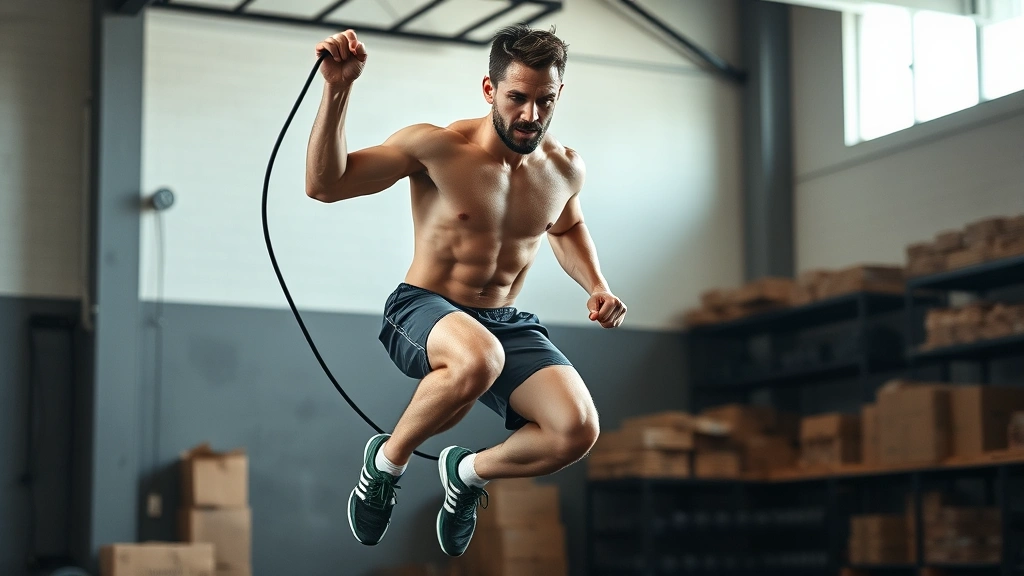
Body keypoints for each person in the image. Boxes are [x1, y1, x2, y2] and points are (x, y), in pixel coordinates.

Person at [305, 23, 627, 557]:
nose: (530, 116)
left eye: (544, 101)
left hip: (504, 321)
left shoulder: (565, 168)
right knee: (481, 358)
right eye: (517, 98)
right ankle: (385, 465)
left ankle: (468, 473)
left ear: (559, 94)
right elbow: (325, 185)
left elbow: (566, 228)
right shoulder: (436, 146)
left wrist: (597, 284)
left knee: (576, 430)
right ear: (489, 90)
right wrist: (338, 90)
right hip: (424, 308)